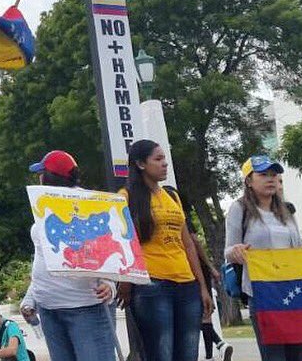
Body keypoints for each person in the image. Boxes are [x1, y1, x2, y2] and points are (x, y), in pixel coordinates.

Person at [116, 139, 212, 361]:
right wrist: (126, 282)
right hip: (152, 286)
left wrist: (202, 287)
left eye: (164, 159)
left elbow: (187, 243)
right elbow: (126, 242)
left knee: (188, 353)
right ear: (140, 164)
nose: (164, 164)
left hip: (187, 285)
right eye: (157, 159)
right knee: (161, 353)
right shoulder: (126, 196)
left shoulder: (173, 196)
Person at [19, 150, 116, 361]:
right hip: (49, 308)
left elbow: (107, 245)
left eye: (41, 172)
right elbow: (44, 257)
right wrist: (31, 298)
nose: (39, 177)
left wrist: (110, 283)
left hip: (84, 306)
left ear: (49, 176)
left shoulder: (89, 205)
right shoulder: (46, 207)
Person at [224, 155, 302, 361]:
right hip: (262, 295)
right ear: (248, 181)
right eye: (263, 174)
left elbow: (300, 252)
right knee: (274, 356)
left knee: (298, 356)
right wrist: (237, 252)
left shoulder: (287, 211)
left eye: (273, 174)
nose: (270, 179)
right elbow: (228, 250)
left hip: (293, 293)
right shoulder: (239, 209)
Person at [187, 231, 233, 361]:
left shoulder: (181, 216)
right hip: (201, 270)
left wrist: (210, 266)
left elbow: (195, 241)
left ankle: (220, 344)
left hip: (192, 270)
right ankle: (210, 355)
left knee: (197, 316)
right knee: (206, 317)